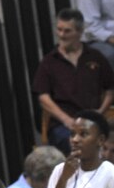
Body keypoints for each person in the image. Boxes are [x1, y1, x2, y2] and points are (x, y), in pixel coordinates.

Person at [32, 9, 114, 153]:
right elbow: (43, 97)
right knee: (75, 142)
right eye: (59, 30)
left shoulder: (95, 57)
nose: (62, 35)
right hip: (64, 124)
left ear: (80, 31)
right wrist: (66, 120)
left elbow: (110, 89)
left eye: (67, 31)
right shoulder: (49, 62)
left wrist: (101, 111)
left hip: (95, 118)